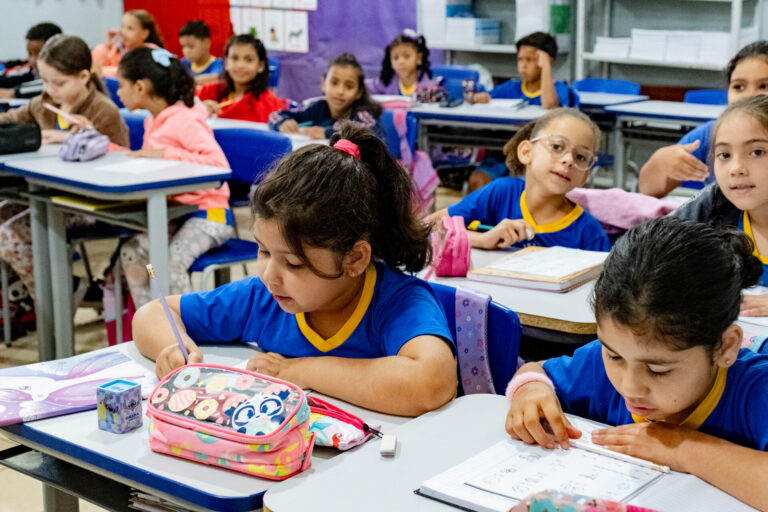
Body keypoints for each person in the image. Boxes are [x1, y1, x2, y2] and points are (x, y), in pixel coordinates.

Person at [131, 123, 457, 417]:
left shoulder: (397, 301)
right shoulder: (262, 298)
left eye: (294, 263)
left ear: (355, 259)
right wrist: (172, 347)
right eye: (263, 250)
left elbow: (431, 382)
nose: (269, 275)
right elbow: (152, 313)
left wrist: (301, 371)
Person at [504, 216, 768, 511]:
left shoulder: (757, 389)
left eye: (658, 370)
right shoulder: (601, 363)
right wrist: (530, 390)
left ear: (725, 347)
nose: (629, 387)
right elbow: (537, 370)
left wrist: (683, 449)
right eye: (614, 356)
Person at [0, 34, 128, 314]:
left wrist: (81, 138)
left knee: (8, 235)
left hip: (92, 205)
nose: (50, 90)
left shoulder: (102, 111)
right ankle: (56, 292)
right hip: (49, 197)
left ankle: (55, 302)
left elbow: (122, 163)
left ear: (83, 77)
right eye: (45, 81)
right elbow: (8, 121)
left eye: (58, 83)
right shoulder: (41, 104)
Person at [112, 47, 233, 308]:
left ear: (141, 87)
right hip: (172, 214)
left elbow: (218, 164)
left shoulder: (184, 120)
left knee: (170, 263)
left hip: (210, 215)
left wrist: (166, 154)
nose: (118, 92)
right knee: (133, 253)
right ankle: (153, 322)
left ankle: (184, 328)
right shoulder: (153, 121)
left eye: (121, 85)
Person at [430, 108, 610, 252]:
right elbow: (429, 227)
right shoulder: (501, 193)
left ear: (584, 176)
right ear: (526, 152)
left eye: (580, 157)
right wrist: (483, 239)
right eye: (557, 146)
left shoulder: (590, 235)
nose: (568, 160)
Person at [673, 94, 768, 318]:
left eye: (757, 152)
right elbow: (649, 250)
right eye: (724, 155)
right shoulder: (714, 204)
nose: (736, 168)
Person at [639, 41, 768, 198]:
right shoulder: (710, 134)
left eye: (764, 86)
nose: (748, 95)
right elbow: (647, 190)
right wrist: (661, 164)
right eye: (738, 87)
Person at [268, 53, 384, 141]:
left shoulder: (362, 113)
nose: (340, 91)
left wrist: (325, 132)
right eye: (334, 83)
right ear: (323, 84)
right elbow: (275, 115)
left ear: (359, 92)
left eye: (349, 86)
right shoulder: (317, 108)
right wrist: (282, 122)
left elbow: (371, 131)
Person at [197, 34, 285, 122]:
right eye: (235, 58)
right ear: (226, 63)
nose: (240, 65)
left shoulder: (269, 103)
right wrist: (200, 108)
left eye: (249, 60)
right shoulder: (211, 91)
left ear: (260, 66)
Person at [472, 32, 569, 109]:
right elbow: (482, 97)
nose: (523, 65)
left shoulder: (559, 88)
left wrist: (546, 65)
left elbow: (550, 106)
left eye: (529, 60)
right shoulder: (511, 87)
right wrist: (475, 98)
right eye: (520, 59)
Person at [91, 9, 164, 77]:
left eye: (130, 28)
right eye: (122, 27)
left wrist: (103, 71)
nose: (123, 32)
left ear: (144, 34)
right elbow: (93, 71)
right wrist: (106, 46)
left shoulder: (151, 51)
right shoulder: (116, 50)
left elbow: (133, 72)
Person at [0, 22, 61, 99]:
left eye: (37, 54)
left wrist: (13, 92)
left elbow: (11, 94)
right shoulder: (35, 72)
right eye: (30, 54)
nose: (32, 60)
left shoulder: (57, 80)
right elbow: (13, 81)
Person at [366, 30, 434, 96]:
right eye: (395, 58)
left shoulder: (429, 86)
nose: (400, 62)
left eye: (407, 56)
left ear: (419, 58)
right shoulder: (387, 81)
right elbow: (364, 86)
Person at [178, 20, 223, 86]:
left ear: (206, 43)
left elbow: (215, 78)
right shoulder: (182, 64)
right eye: (183, 46)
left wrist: (185, 83)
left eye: (191, 46)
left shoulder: (219, 64)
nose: (186, 51)